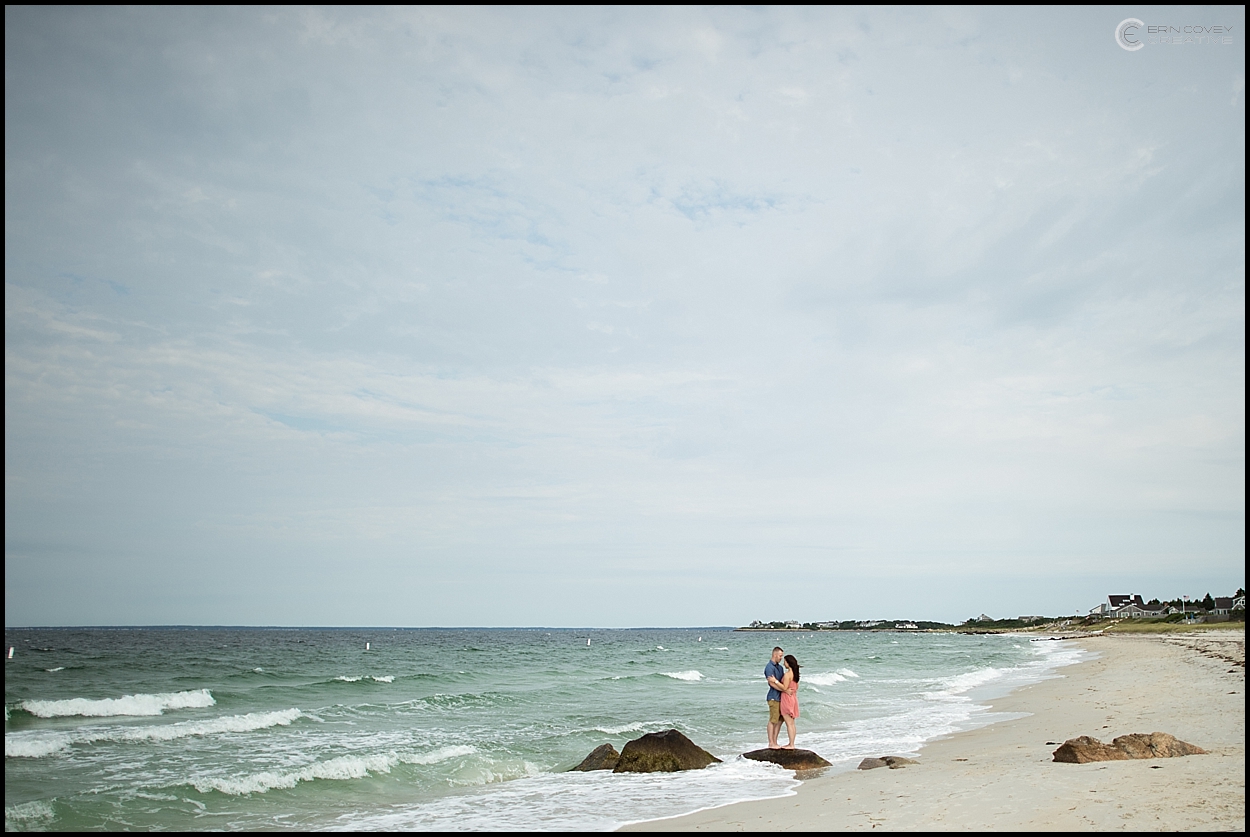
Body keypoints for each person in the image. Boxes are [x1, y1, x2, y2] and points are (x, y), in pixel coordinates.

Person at [764, 646, 786, 749]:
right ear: (775, 655)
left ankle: (775, 741)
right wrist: (784, 689)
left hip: (781, 697)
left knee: (780, 719)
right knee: (773, 719)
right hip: (773, 697)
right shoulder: (769, 667)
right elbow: (771, 683)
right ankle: (771, 742)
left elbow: (781, 682)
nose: (781, 658)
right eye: (780, 656)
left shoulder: (780, 668)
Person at [779, 654, 801, 749]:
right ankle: (792, 743)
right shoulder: (795, 674)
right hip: (793, 698)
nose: (784, 663)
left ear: (788, 663)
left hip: (787, 698)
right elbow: (796, 687)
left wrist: (775, 681)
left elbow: (784, 687)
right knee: (792, 723)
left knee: (789, 723)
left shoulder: (787, 675)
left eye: (785, 661)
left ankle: (791, 744)